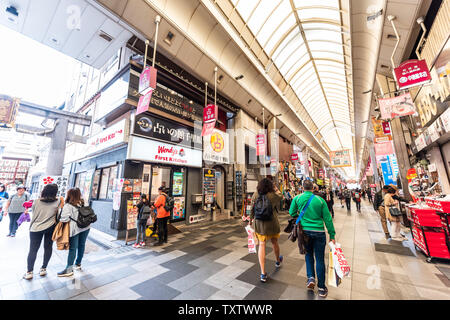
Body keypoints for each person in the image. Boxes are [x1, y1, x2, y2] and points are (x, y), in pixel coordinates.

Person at [289, 180, 336, 298]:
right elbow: (328, 219)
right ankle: (321, 288)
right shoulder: (320, 200)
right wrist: (332, 235)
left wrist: (301, 214)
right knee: (320, 259)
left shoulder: (297, 198)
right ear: (313, 188)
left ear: (302, 188)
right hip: (319, 232)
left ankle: (310, 278)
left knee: (308, 255)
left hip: (305, 232)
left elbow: (291, 212)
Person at [23, 184, 64, 280]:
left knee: (33, 250)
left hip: (35, 228)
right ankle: (43, 269)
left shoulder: (36, 202)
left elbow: (34, 212)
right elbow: (62, 209)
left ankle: (29, 272)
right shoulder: (58, 201)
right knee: (48, 248)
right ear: (55, 193)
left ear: (43, 191)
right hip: (51, 227)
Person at [250, 178, 283, 283]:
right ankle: (277, 261)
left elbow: (251, 208)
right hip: (272, 223)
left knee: (262, 245)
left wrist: (250, 220)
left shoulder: (256, 194)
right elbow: (281, 196)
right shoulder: (272, 195)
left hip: (259, 224)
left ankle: (263, 273)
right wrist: (275, 188)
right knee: (275, 242)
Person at [57, 188, 91, 277]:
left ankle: (69, 269)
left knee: (73, 248)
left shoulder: (68, 205)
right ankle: (78, 264)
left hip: (74, 229)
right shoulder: (84, 202)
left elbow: (64, 219)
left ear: (69, 195)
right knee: (82, 245)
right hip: (86, 227)